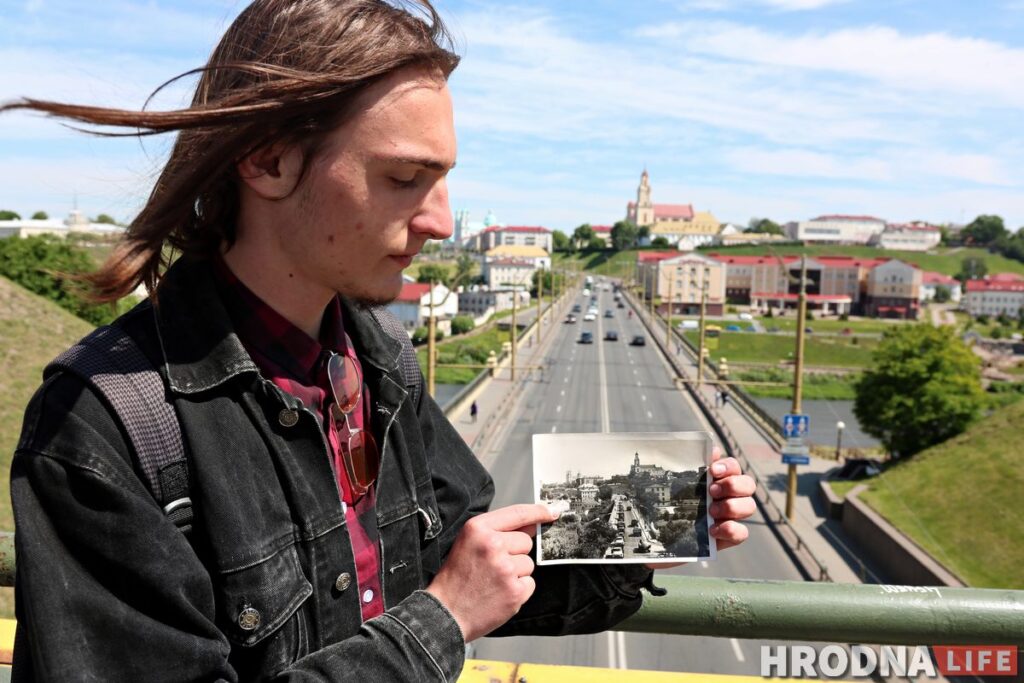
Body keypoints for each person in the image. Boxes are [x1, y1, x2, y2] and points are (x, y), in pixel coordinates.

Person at [3, 1, 756, 681]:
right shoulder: (101, 427)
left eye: (443, 179)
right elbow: (453, 599)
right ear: (267, 159)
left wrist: (643, 524)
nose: (440, 221)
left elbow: (476, 566)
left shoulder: (377, 359)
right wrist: (440, 622)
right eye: (403, 178)